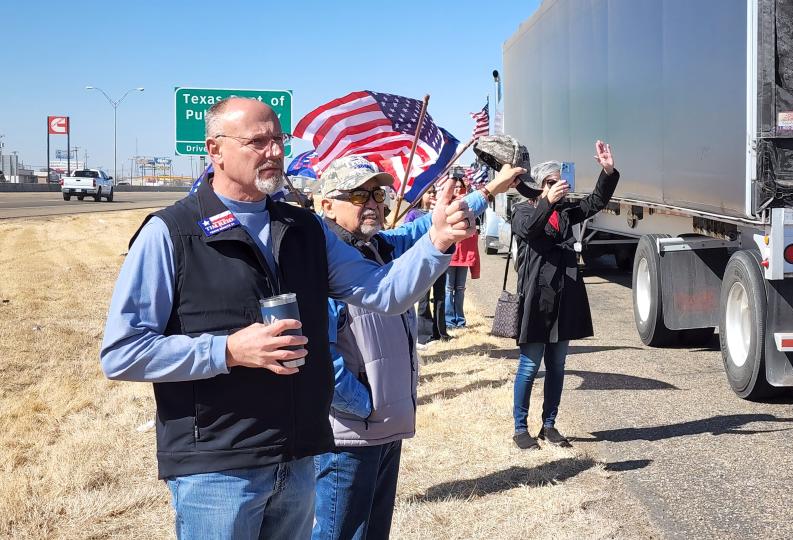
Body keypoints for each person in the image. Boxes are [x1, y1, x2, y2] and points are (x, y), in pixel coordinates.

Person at [98, 97, 478, 540]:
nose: (274, 151)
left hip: (298, 458)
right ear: (215, 150)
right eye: (257, 141)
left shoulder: (306, 229)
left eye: (278, 139)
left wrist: (438, 239)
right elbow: (122, 352)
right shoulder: (171, 232)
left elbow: (383, 292)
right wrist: (228, 350)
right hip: (219, 469)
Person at [316, 159, 524, 540]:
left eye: (378, 194)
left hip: (384, 429)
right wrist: (365, 406)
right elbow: (321, 361)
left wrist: (490, 189)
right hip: (347, 439)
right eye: (359, 194)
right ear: (327, 204)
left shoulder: (380, 246)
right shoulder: (323, 264)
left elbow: (425, 227)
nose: (374, 203)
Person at [510, 140, 619, 450]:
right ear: (538, 186)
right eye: (550, 181)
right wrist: (546, 201)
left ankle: (549, 425)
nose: (557, 186)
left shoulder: (567, 211)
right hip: (536, 297)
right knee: (530, 366)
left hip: (564, 296)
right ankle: (520, 428)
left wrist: (607, 171)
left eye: (559, 180)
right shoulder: (522, 210)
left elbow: (596, 201)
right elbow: (530, 231)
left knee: (557, 366)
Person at [405, 185, 450, 346]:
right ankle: (424, 335)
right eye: (429, 192)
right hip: (421, 260)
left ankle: (440, 332)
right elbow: (408, 236)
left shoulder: (435, 213)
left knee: (440, 296)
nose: (432, 195)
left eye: (433, 192)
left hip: (439, 258)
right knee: (423, 297)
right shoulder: (412, 215)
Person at [445, 172, 480, 328]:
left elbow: (474, 230)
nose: (458, 189)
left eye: (461, 187)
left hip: (465, 254)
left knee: (460, 288)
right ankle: (448, 320)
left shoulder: (469, 205)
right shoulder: (447, 205)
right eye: (456, 187)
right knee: (448, 288)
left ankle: (460, 319)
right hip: (450, 253)